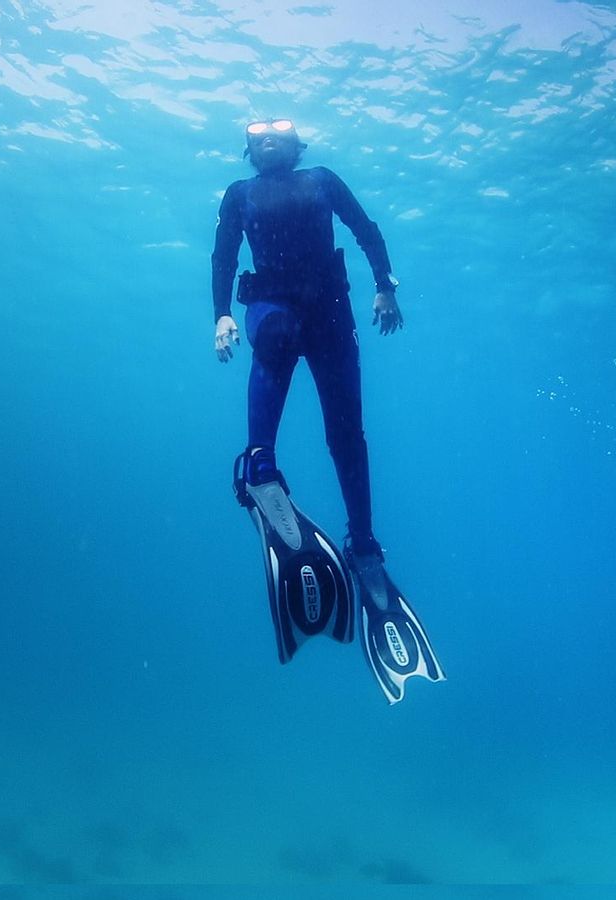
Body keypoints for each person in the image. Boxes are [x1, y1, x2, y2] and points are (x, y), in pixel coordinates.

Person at [211, 118, 443, 704]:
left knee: (348, 430)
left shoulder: (322, 180)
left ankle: (364, 544)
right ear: (247, 149)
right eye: (258, 131)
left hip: (332, 312)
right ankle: (261, 468)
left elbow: (366, 230)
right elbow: (222, 255)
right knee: (278, 334)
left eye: (280, 129)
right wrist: (222, 313)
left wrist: (385, 285)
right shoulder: (238, 195)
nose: (268, 135)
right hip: (271, 307)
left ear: (297, 145)